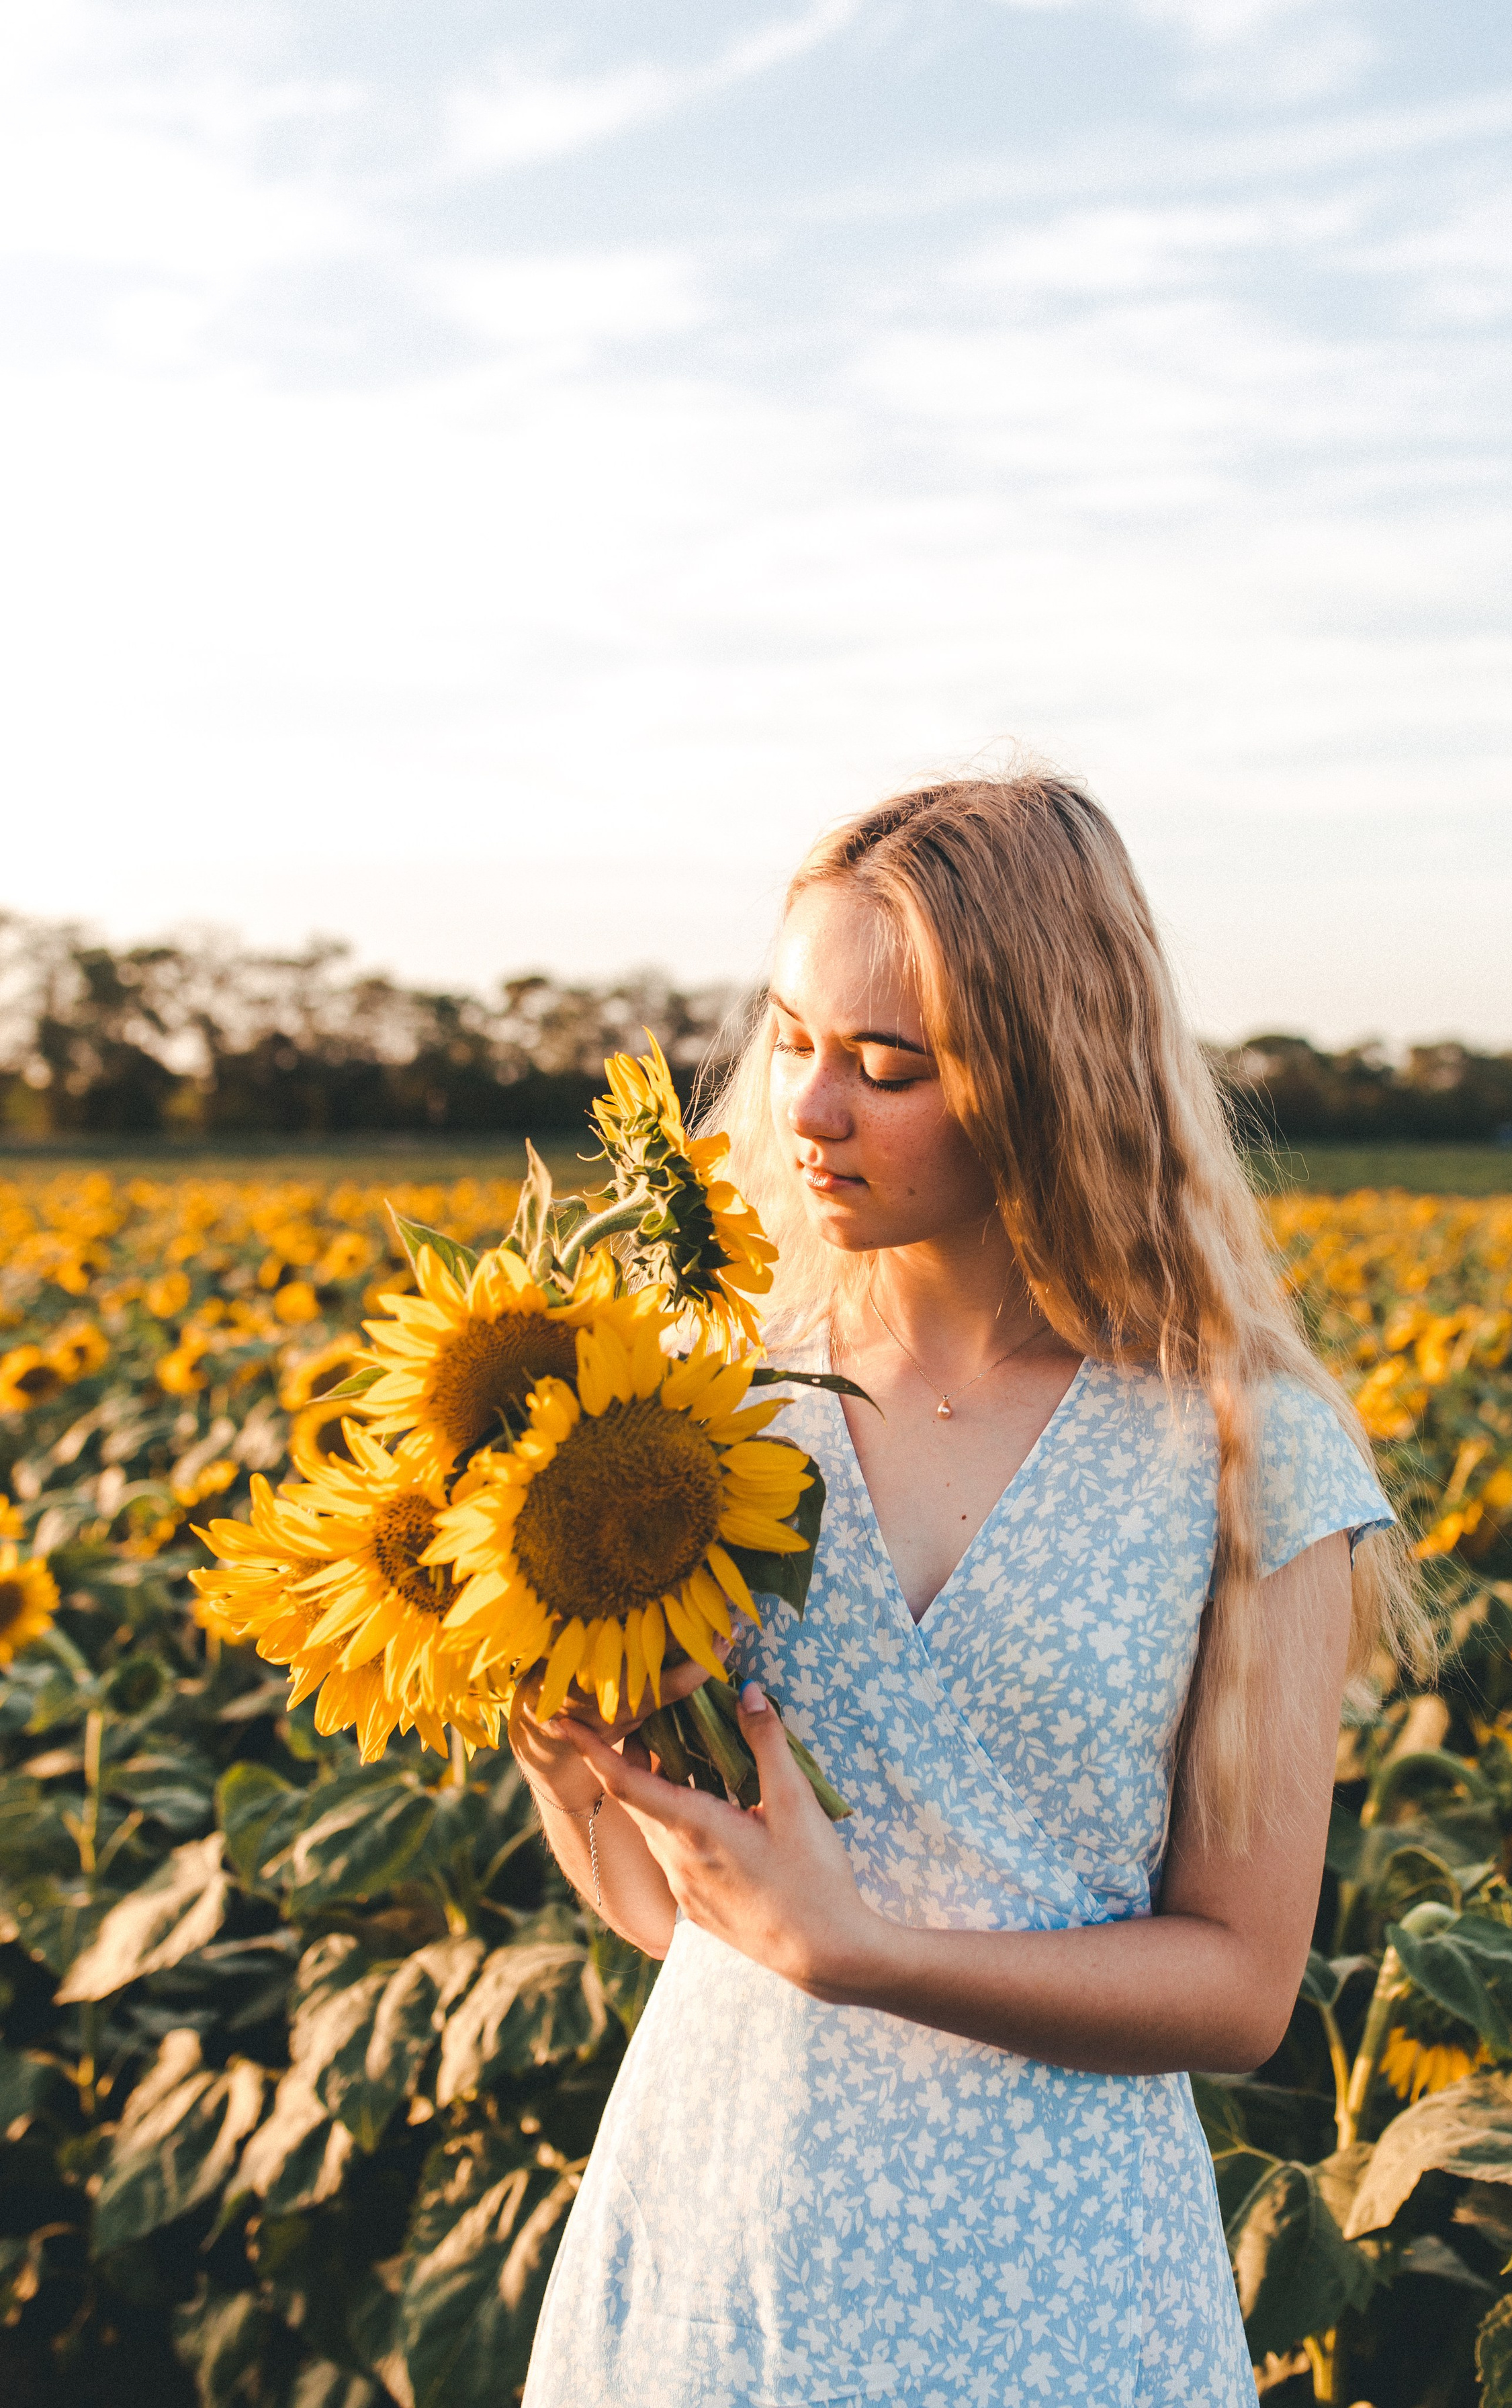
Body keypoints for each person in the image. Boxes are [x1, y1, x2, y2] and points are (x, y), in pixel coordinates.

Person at [511, 773, 1418, 2407]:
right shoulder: (704, 1407)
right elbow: (674, 1919)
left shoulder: (1240, 1447)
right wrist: (559, 1736)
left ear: (1047, 1072)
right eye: (790, 1037)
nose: (804, 1112)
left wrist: (864, 1951)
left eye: (887, 1064)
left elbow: (1240, 1984)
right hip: (720, 2242)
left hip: (1053, 2283)